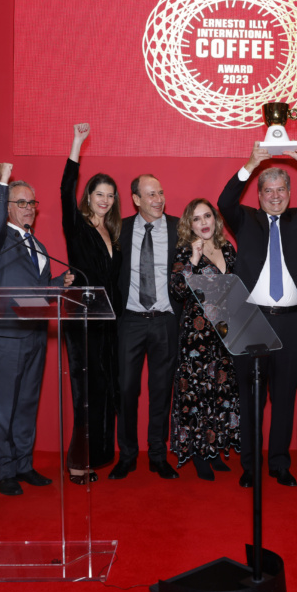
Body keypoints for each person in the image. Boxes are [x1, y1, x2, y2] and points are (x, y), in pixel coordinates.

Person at [218, 141, 297, 488]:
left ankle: (280, 462)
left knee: (284, 397)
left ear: (290, 193)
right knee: (251, 399)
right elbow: (224, 202)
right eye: (268, 190)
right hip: (251, 321)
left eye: (281, 189)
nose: (275, 195)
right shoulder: (245, 219)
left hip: (291, 323)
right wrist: (250, 163)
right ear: (259, 194)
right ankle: (250, 465)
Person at [0, 162, 74, 496]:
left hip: (35, 331)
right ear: (7, 207)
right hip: (7, 335)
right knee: (3, 406)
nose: (30, 208)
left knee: (27, 403)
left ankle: (23, 464)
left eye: (32, 203)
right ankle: (3, 470)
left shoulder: (39, 246)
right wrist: (2, 180)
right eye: (22, 202)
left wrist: (61, 283)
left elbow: (40, 289)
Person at [110, 170, 181, 481]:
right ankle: (126, 455)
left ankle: (157, 454)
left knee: (161, 390)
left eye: (161, 192)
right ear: (136, 199)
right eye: (151, 194)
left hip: (165, 321)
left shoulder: (180, 228)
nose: (158, 199)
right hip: (130, 322)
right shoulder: (119, 230)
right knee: (125, 390)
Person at [61, 123, 121, 484]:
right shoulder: (78, 226)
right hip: (83, 321)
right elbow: (65, 188)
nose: (105, 200)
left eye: (111, 195)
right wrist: (76, 145)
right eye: (100, 193)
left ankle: (97, 457)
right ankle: (77, 462)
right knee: (85, 395)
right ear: (88, 196)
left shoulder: (111, 231)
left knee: (105, 393)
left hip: (109, 322)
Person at [169, 198, 240, 480]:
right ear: (190, 225)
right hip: (196, 337)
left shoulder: (228, 249)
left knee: (220, 392)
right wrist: (194, 260)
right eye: (196, 219)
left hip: (224, 335)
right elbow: (177, 290)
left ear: (215, 219)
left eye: (207, 216)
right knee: (196, 394)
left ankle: (215, 448)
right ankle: (198, 454)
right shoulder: (185, 251)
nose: (203, 223)